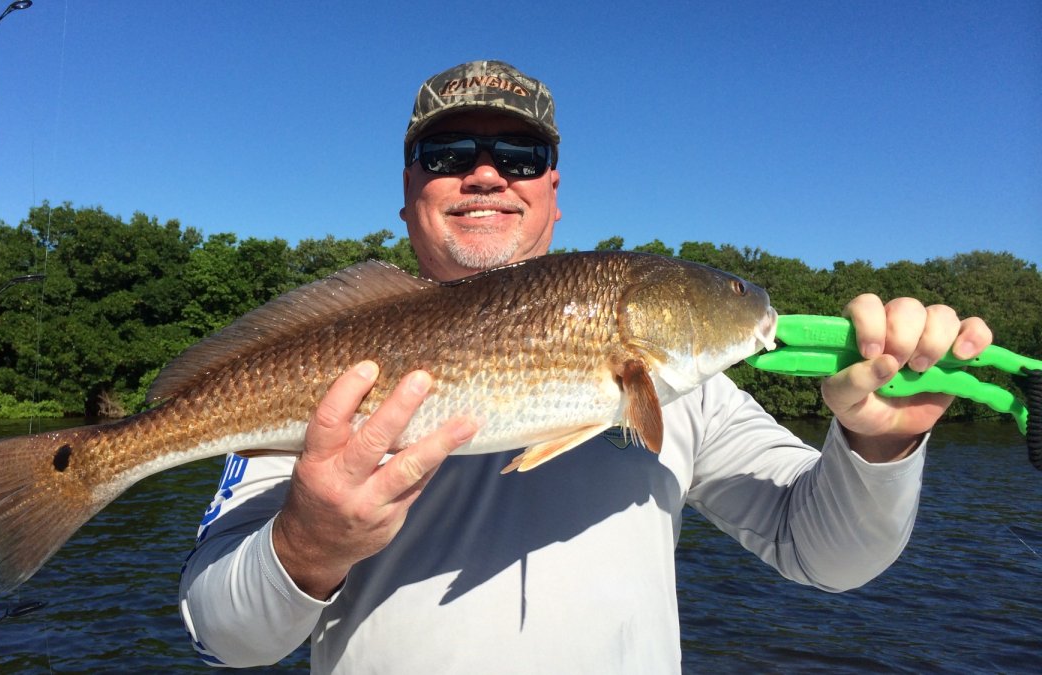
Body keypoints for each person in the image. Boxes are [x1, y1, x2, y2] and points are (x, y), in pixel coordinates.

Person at [178, 60, 992, 672]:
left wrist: (877, 448)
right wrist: (307, 544)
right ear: (408, 190)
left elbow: (826, 554)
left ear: (554, 191)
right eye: (448, 150)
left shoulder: (690, 388)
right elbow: (222, 635)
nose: (487, 172)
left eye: (521, 154)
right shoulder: (319, 364)